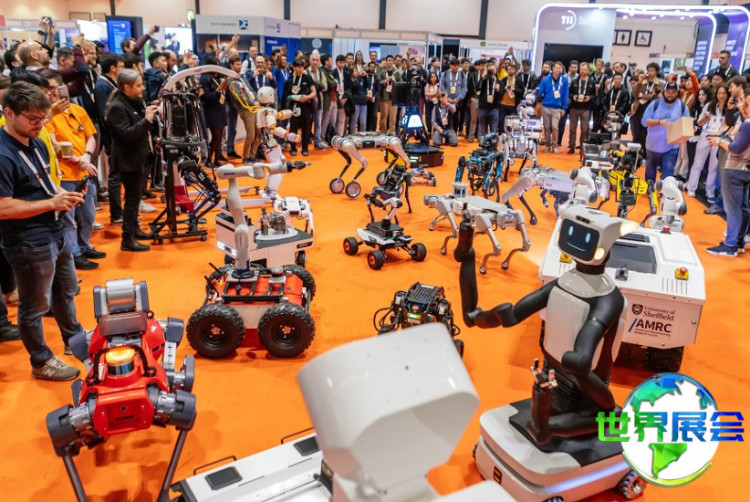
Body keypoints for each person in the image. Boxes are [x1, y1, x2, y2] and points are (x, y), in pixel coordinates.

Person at [0, 81, 87, 380]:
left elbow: (44, 184)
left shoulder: (36, 142)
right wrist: (52, 202)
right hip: (28, 240)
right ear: (9, 113)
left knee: (66, 291)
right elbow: (3, 207)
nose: (40, 124)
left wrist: (63, 195)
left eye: (43, 118)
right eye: (33, 119)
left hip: (55, 230)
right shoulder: (3, 155)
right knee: (35, 306)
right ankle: (41, 361)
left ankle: (74, 339)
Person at [42, 70, 104, 271]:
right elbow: (54, 145)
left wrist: (87, 155)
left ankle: (84, 246)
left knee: (88, 216)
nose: (51, 93)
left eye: (54, 88)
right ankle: (74, 254)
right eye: (46, 89)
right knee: (68, 220)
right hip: (65, 175)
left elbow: (91, 136)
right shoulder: (46, 117)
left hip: (84, 172)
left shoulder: (77, 110)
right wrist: (79, 160)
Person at [105, 69, 159, 252]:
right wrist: (147, 119)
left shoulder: (130, 101)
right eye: (139, 85)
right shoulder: (117, 107)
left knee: (134, 199)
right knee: (132, 200)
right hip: (128, 160)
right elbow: (128, 134)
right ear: (127, 87)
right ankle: (127, 239)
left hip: (136, 157)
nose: (142, 88)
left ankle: (134, 230)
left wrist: (149, 111)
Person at [706, 87, 750, 256]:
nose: (741, 104)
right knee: (743, 207)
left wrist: (719, 142)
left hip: (735, 168)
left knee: (733, 209)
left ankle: (730, 244)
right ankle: (738, 242)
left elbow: (736, 148)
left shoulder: (747, 125)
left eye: (744, 101)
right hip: (747, 170)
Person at [94, 53, 124, 225]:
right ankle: (116, 214)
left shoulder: (109, 84)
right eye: (121, 66)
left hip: (116, 136)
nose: (122, 70)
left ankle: (120, 212)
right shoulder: (101, 86)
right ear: (113, 68)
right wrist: (109, 140)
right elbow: (104, 116)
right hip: (112, 137)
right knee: (115, 176)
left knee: (118, 175)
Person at [641, 81, 690, 181]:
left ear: (677, 93)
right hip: (653, 145)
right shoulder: (655, 104)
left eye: (673, 92)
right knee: (650, 172)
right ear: (664, 92)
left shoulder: (682, 107)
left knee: (668, 174)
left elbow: (687, 124)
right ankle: (650, 188)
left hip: (671, 147)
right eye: (668, 92)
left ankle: (665, 190)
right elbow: (644, 121)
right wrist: (659, 122)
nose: (670, 94)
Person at [687, 85, 720, 199]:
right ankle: (691, 188)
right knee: (698, 163)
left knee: (713, 167)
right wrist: (704, 119)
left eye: (723, 93)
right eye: (719, 93)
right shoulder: (709, 105)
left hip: (719, 137)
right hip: (706, 134)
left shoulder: (729, 108)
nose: (721, 96)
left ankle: (710, 191)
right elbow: (699, 122)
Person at [282, 59, 316, 156]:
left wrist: (307, 97)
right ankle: (293, 148)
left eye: (302, 67)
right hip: (294, 107)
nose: (300, 69)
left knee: (306, 128)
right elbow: (285, 96)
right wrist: (293, 98)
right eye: (298, 67)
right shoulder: (289, 80)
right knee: (293, 128)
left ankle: (305, 148)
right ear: (294, 67)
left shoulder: (307, 78)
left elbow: (314, 92)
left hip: (306, 106)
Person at [199, 56, 229, 166]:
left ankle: (216, 160)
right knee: (215, 137)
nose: (218, 68)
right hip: (211, 111)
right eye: (216, 65)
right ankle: (208, 160)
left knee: (219, 137)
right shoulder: (204, 78)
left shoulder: (215, 77)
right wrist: (219, 89)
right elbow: (206, 97)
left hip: (219, 109)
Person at [536, 61, 569, 153]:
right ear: (553, 68)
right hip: (546, 106)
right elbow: (540, 91)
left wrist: (564, 108)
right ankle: (547, 145)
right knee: (546, 127)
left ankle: (554, 146)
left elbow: (565, 94)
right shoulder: (545, 80)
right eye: (557, 68)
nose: (558, 70)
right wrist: (537, 94)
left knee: (555, 127)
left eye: (560, 68)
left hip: (557, 108)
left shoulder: (564, 80)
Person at [567, 61, 596, 153]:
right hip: (574, 107)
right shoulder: (574, 81)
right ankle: (572, 146)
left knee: (584, 129)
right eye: (581, 69)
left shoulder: (592, 82)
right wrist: (573, 97)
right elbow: (569, 93)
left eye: (584, 69)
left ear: (588, 70)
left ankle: (582, 147)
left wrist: (589, 98)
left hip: (585, 108)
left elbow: (594, 95)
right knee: (572, 128)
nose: (582, 71)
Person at [377, 55, 401, 134]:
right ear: (386, 61)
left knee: (393, 117)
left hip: (394, 98)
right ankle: (383, 131)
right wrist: (385, 81)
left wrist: (395, 82)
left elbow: (401, 83)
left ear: (393, 62)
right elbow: (378, 82)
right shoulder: (382, 72)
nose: (390, 62)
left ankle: (392, 131)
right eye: (388, 60)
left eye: (391, 60)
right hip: (384, 97)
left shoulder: (396, 72)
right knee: (384, 116)